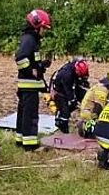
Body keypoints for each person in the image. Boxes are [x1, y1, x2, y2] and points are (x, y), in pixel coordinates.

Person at [14, 8, 52, 150]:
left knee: (23, 114)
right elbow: (20, 58)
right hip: (28, 86)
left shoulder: (30, 39)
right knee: (30, 116)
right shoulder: (29, 39)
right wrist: (32, 71)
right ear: (36, 25)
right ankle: (30, 146)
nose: (44, 31)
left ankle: (20, 140)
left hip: (28, 86)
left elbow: (31, 61)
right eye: (43, 28)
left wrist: (42, 65)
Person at [75, 68, 109, 138]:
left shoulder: (107, 89)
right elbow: (98, 108)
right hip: (90, 115)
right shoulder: (102, 90)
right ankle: (86, 127)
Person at [49, 58, 90, 134]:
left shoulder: (80, 68)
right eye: (79, 74)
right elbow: (68, 91)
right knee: (65, 111)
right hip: (58, 90)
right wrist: (73, 100)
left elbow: (84, 81)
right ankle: (62, 124)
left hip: (70, 84)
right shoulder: (66, 74)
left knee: (80, 98)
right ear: (76, 69)